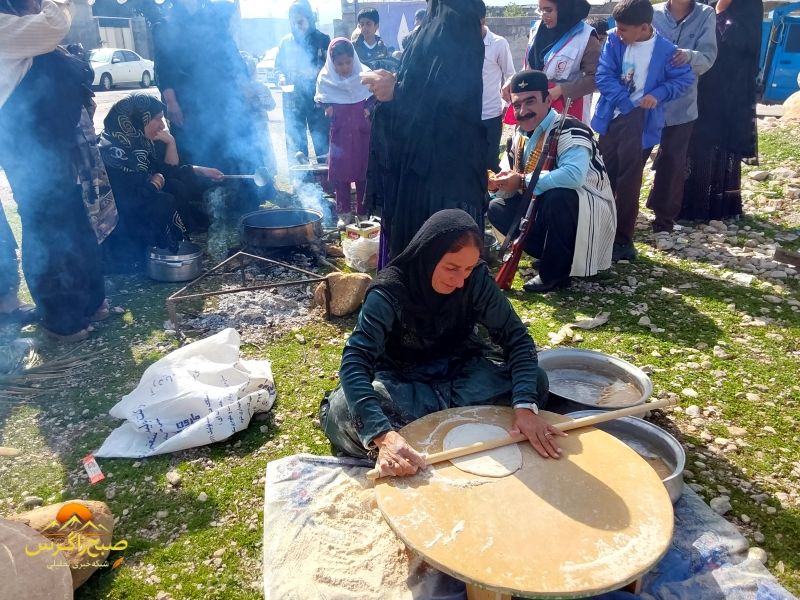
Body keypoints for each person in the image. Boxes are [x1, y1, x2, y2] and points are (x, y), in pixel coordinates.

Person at [320, 209, 563, 476]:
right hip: (404, 385)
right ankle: (408, 438)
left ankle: (422, 431)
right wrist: (381, 434)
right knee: (342, 411)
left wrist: (525, 408)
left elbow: (516, 337)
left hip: (460, 376)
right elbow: (355, 361)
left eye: (468, 269)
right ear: (428, 255)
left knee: (534, 382)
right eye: (451, 268)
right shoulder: (388, 292)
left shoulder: (476, 280)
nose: (460, 281)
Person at [0, 0, 118, 342]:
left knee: (74, 219)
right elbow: (53, 25)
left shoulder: (21, 26)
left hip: (57, 143)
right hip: (27, 146)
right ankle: (61, 318)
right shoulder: (8, 28)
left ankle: (89, 302)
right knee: (47, 225)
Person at [362, 0, 487, 266]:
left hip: (443, 168)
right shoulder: (435, 18)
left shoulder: (457, 19)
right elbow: (426, 81)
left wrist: (397, 92)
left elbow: (452, 99)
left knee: (440, 259)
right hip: (419, 161)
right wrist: (395, 82)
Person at [488, 71, 616, 293]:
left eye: (530, 102)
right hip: (540, 209)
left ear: (548, 101)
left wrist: (521, 181)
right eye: (517, 105)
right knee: (496, 206)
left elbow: (574, 176)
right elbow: (512, 179)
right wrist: (498, 185)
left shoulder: (571, 128)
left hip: (587, 213)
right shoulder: (518, 135)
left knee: (559, 195)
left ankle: (554, 274)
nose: (523, 111)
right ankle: (551, 256)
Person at [591, 0, 693, 263]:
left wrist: (658, 94)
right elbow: (603, 75)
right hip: (613, 116)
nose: (618, 32)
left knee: (629, 182)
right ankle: (595, 232)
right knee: (601, 175)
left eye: (624, 29)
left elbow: (684, 79)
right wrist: (625, 103)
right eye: (617, 27)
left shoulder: (666, 51)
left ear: (645, 27)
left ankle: (622, 240)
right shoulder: (614, 41)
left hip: (641, 121)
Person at [151, 0, 266, 211]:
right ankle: (204, 205)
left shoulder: (212, 18)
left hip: (221, 99)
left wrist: (245, 89)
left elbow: (230, 55)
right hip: (188, 103)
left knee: (228, 147)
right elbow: (163, 67)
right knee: (195, 149)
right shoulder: (166, 24)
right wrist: (171, 101)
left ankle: (237, 201)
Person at [99, 94, 224, 271]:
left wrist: (200, 169)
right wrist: (154, 184)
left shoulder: (136, 143)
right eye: (157, 119)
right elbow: (128, 200)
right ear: (138, 120)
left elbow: (165, 171)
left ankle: (173, 245)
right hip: (118, 221)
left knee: (175, 186)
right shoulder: (113, 152)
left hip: (136, 203)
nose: (162, 125)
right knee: (163, 200)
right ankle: (145, 253)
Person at [680, 0, 763, 222]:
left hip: (730, 90)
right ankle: (685, 203)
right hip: (700, 86)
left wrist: (720, 11)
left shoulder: (749, 5)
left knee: (720, 142)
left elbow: (745, 43)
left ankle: (717, 206)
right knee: (693, 139)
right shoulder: (700, 3)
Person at [648, 0, 717, 250]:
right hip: (647, 102)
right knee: (632, 159)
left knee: (673, 163)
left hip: (681, 105)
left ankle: (663, 224)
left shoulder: (706, 14)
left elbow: (708, 58)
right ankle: (619, 217)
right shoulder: (652, 12)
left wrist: (686, 56)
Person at [506, 0, 600, 124]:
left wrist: (560, 90)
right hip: (533, 107)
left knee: (562, 135)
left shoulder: (586, 37)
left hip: (568, 109)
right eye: (540, 10)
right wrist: (513, 80)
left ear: (564, 8)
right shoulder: (536, 30)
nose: (543, 15)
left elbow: (594, 78)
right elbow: (529, 66)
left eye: (548, 10)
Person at [315, 39, 375, 220]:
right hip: (340, 133)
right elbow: (320, 98)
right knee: (341, 174)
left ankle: (363, 213)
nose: (345, 67)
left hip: (361, 132)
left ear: (353, 59)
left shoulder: (364, 74)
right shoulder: (326, 78)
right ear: (332, 63)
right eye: (340, 64)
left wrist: (368, 108)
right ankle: (344, 213)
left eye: (348, 62)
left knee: (363, 172)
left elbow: (374, 96)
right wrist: (327, 107)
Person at [275, 0, 330, 165]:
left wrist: (318, 72)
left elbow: (333, 68)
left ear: (309, 18)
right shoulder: (286, 42)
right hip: (293, 100)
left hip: (317, 100)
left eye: (300, 21)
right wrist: (281, 77)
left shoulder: (323, 40)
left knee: (322, 141)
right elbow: (278, 67)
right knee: (296, 143)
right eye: (293, 22)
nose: (297, 26)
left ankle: (325, 176)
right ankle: (301, 178)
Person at [478, 0, 516, 173]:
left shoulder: (498, 43)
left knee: (489, 163)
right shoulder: (460, 44)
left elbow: (510, 74)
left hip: (490, 115)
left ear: (482, 20)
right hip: (466, 116)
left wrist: (507, 99)